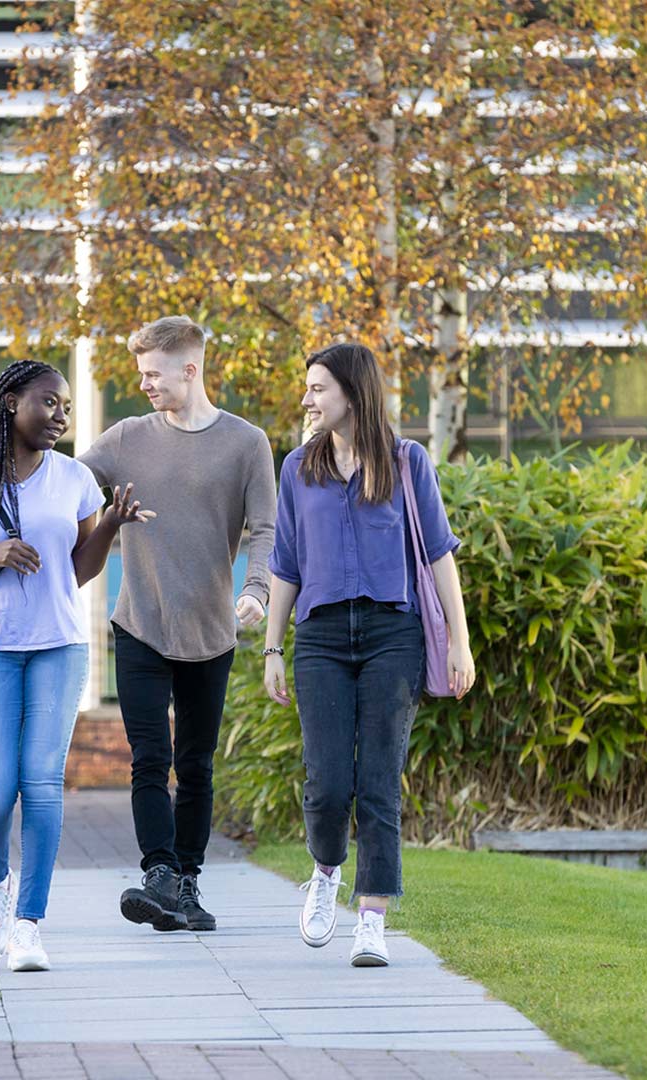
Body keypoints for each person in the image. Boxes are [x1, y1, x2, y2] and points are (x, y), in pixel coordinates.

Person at [0, 360, 152, 972]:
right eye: (49, 403)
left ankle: (29, 923)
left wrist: (109, 524)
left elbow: (78, 571)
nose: (61, 416)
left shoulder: (75, 477)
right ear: (10, 403)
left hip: (60, 645)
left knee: (42, 786)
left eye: (67, 408)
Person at [261, 343, 478, 968]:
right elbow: (286, 565)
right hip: (323, 638)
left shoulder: (408, 463)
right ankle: (326, 869)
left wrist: (459, 642)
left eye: (317, 388)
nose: (307, 400)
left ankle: (372, 919)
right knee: (328, 784)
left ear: (352, 394)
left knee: (379, 782)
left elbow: (439, 557)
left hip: (393, 635)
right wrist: (274, 647)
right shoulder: (298, 467)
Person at [77, 316, 276, 933]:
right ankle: (158, 872)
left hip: (211, 629)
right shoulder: (125, 438)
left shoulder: (248, 444)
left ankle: (185, 884)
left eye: (153, 374)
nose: (145, 386)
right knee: (148, 758)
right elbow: (64, 484)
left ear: (190, 370)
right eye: (141, 374)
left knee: (196, 764)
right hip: (137, 623)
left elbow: (266, 530)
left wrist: (258, 589)